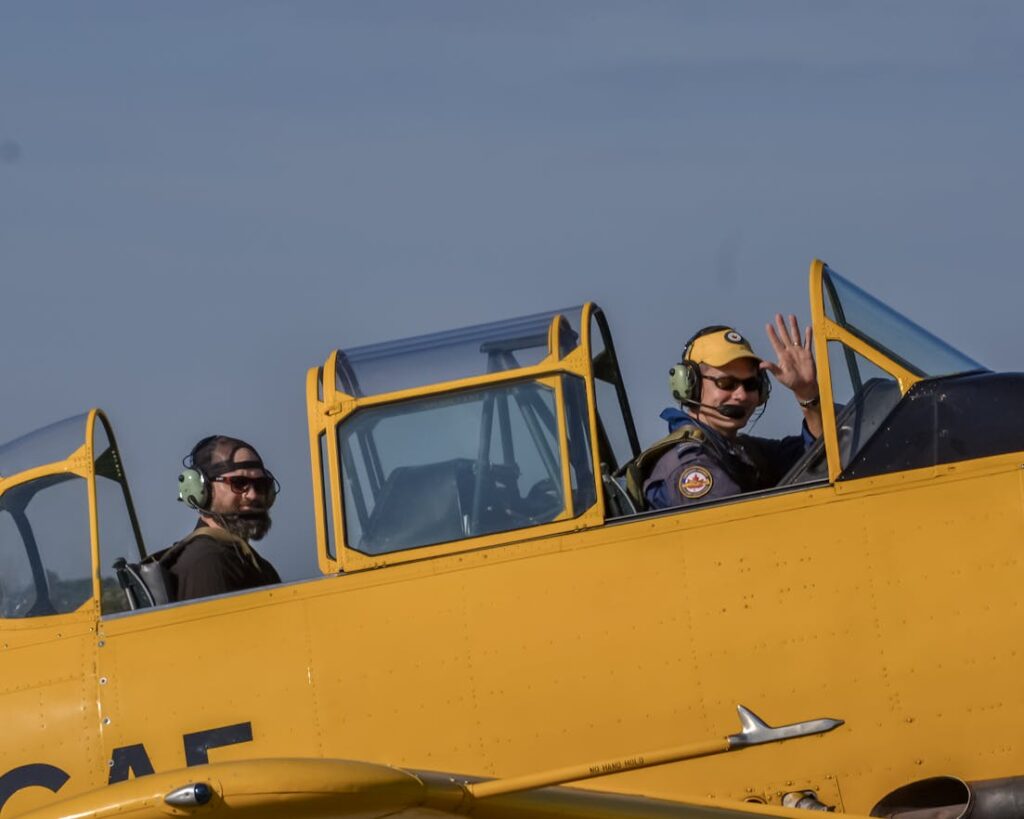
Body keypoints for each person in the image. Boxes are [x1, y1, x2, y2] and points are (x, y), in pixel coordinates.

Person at [629, 315, 823, 510]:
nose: (741, 395)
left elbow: (821, 454)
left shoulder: (738, 450)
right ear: (690, 385)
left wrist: (807, 393)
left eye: (750, 384)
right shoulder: (692, 465)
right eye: (726, 383)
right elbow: (735, 531)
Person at [163, 435, 282, 601]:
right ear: (202, 490)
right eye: (239, 483)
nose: (253, 495)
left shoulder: (246, 561)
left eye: (261, 485)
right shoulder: (207, 562)